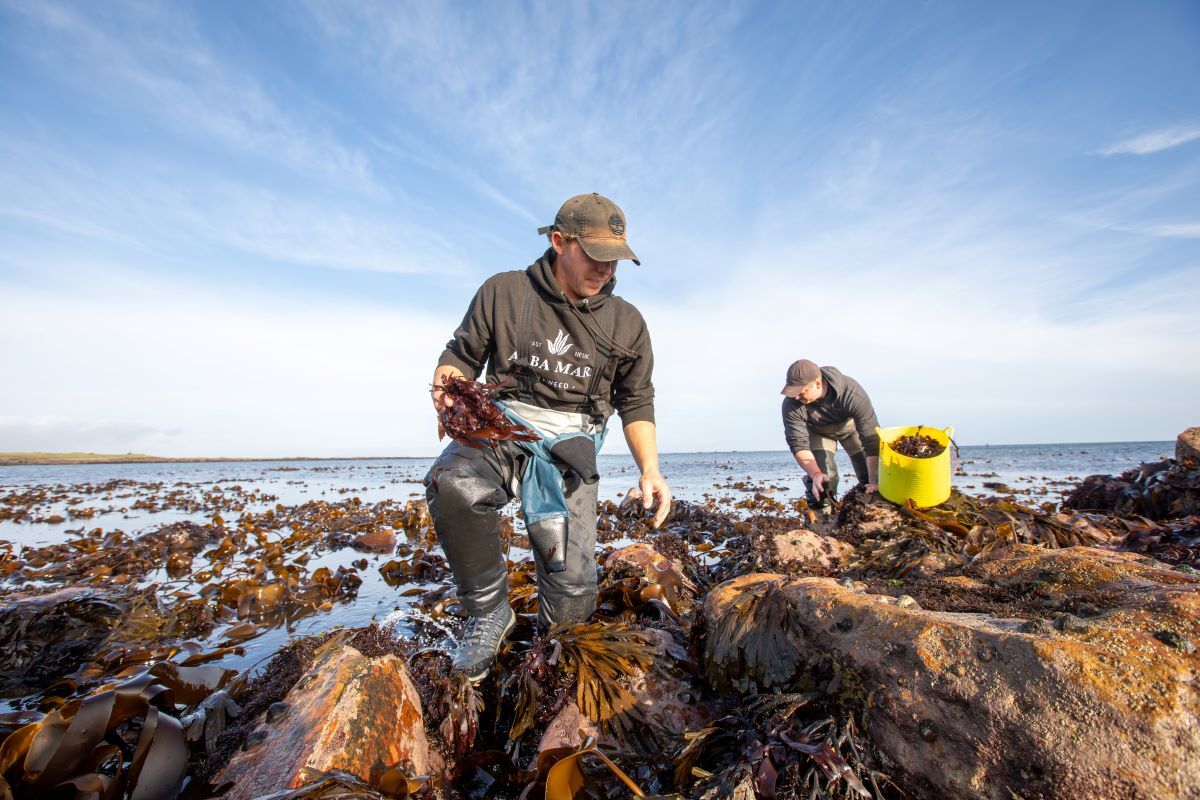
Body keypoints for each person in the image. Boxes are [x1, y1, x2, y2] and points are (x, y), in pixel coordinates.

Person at [426, 192, 672, 681]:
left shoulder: (628, 323)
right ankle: (487, 613)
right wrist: (445, 384)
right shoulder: (505, 292)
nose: (606, 270)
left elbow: (636, 402)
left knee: (573, 597)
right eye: (596, 256)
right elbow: (460, 355)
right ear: (560, 242)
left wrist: (650, 469)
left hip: (572, 448)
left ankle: (548, 653)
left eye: (616, 260)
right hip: (503, 428)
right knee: (454, 485)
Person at [780, 359, 880, 511]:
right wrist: (815, 473)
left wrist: (874, 480)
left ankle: (871, 512)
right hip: (818, 432)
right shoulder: (791, 403)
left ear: (817, 384)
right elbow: (798, 444)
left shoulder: (851, 392)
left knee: (868, 474)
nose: (796, 397)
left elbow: (872, 440)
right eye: (793, 391)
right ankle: (822, 519)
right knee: (825, 479)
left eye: (801, 391)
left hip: (850, 429)